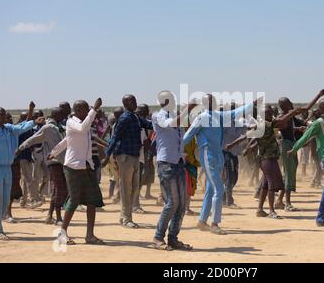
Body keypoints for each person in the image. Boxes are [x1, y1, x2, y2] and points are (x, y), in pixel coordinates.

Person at [183, 94, 260, 235]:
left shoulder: (220, 115)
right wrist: (180, 153)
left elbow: (237, 112)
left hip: (218, 154)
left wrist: (251, 104)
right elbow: (187, 136)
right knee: (219, 189)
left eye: (214, 100)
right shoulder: (201, 118)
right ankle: (214, 223)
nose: (214, 102)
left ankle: (202, 221)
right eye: (211, 101)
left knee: (211, 190)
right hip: (208, 154)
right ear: (205, 103)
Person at [49, 98, 105, 245]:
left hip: (87, 166)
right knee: (74, 200)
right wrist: (95, 109)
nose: (88, 111)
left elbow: (68, 140)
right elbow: (81, 129)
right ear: (79, 110)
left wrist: (54, 151)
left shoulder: (83, 122)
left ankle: (90, 235)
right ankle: (62, 234)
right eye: (86, 109)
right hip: (73, 167)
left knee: (92, 201)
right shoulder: (71, 122)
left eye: (89, 109)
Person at [0, 102, 44, 240]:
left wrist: (33, 121)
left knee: (5, 199)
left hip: (7, 167)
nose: (4, 115)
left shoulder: (9, 129)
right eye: (1, 113)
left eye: (5, 113)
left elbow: (22, 127)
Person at [288, 98, 324, 228]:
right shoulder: (319, 123)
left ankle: (321, 218)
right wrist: (295, 148)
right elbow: (306, 136)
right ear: (323, 108)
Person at [240, 105, 306, 218]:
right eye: (268, 113)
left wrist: (247, 148)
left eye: (271, 113)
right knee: (271, 185)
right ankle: (271, 211)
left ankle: (260, 209)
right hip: (268, 159)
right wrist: (294, 112)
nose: (271, 115)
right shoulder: (266, 124)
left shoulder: (261, 126)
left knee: (266, 185)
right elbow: (283, 120)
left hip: (267, 158)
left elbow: (250, 137)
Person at [151, 91, 196, 251]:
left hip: (177, 163)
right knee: (172, 202)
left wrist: (183, 154)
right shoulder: (158, 116)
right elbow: (173, 124)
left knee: (182, 204)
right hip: (166, 164)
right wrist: (188, 109)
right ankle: (158, 237)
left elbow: (180, 136)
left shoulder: (177, 115)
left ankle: (173, 238)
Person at [102, 95, 153, 229]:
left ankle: (124, 215)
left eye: (135, 100)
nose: (135, 103)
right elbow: (115, 138)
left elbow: (149, 124)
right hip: (125, 157)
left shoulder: (135, 117)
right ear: (126, 103)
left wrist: (164, 123)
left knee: (134, 188)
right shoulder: (124, 118)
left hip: (135, 156)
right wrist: (107, 156)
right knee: (126, 188)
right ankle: (127, 219)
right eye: (133, 101)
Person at [275, 90, 324, 211]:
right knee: (289, 174)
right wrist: (318, 95)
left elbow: (306, 111)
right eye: (288, 102)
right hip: (287, 146)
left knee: (288, 173)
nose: (291, 103)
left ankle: (280, 201)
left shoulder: (291, 116)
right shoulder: (282, 117)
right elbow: (284, 127)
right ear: (284, 105)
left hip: (292, 144)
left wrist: (301, 127)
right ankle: (287, 203)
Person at [18, 108, 67, 225]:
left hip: (61, 161)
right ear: (57, 114)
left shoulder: (58, 127)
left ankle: (50, 216)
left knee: (57, 189)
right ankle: (58, 217)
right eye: (62, 113)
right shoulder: (48, 128)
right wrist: (21, 148)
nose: (64, 116)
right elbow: (34, 138)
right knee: (59, 189)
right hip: (54, 161)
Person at [222, 102, 246, 209]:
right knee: (230, 177)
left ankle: (224, 197)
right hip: (227, 152)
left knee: (234, 177)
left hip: (235, 153)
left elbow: (245, 131)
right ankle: (229, 200)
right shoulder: (225, 123)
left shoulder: (238, 122)